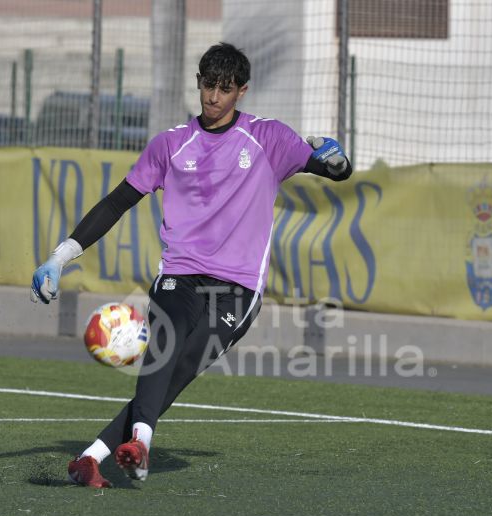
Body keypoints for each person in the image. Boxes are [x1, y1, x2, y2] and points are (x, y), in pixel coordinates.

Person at [30, 42, 353, 488]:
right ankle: (139, 445)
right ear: (197, 82)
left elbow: (333, 169)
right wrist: (59, 257)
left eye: (224, 88)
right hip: (178, 276)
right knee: (162, 352)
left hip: (238, 289)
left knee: (176, 374)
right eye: (207, 85)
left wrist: (334, 159)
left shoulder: (268, 138)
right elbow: (117, 202)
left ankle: (90, 457)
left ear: (242, 90)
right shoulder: (171, 144)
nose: (213, 97)